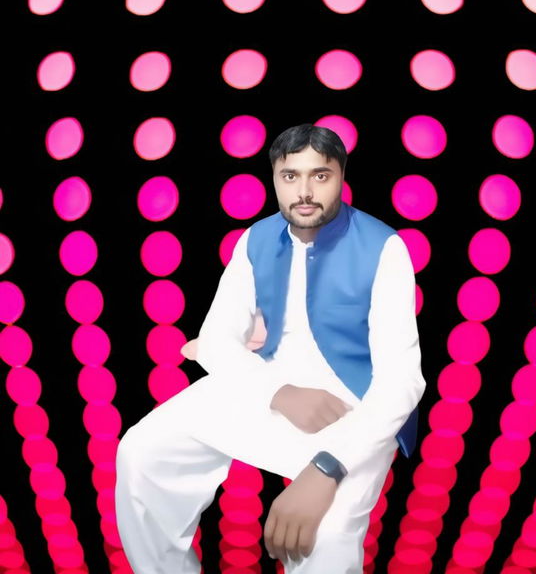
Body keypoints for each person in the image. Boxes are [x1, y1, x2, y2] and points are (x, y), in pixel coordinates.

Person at [114, 123, 426, 573]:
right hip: (267, 384)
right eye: (289, 176)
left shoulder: (384, 247)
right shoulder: (256, 238)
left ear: (341, 176)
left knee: (326, 534)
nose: (304, 191)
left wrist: (326, 468)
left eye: (320, 176)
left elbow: (402, 382)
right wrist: (280, 392)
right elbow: (218, 339)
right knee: (142, 452)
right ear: (275, 179)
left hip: (353, 407)